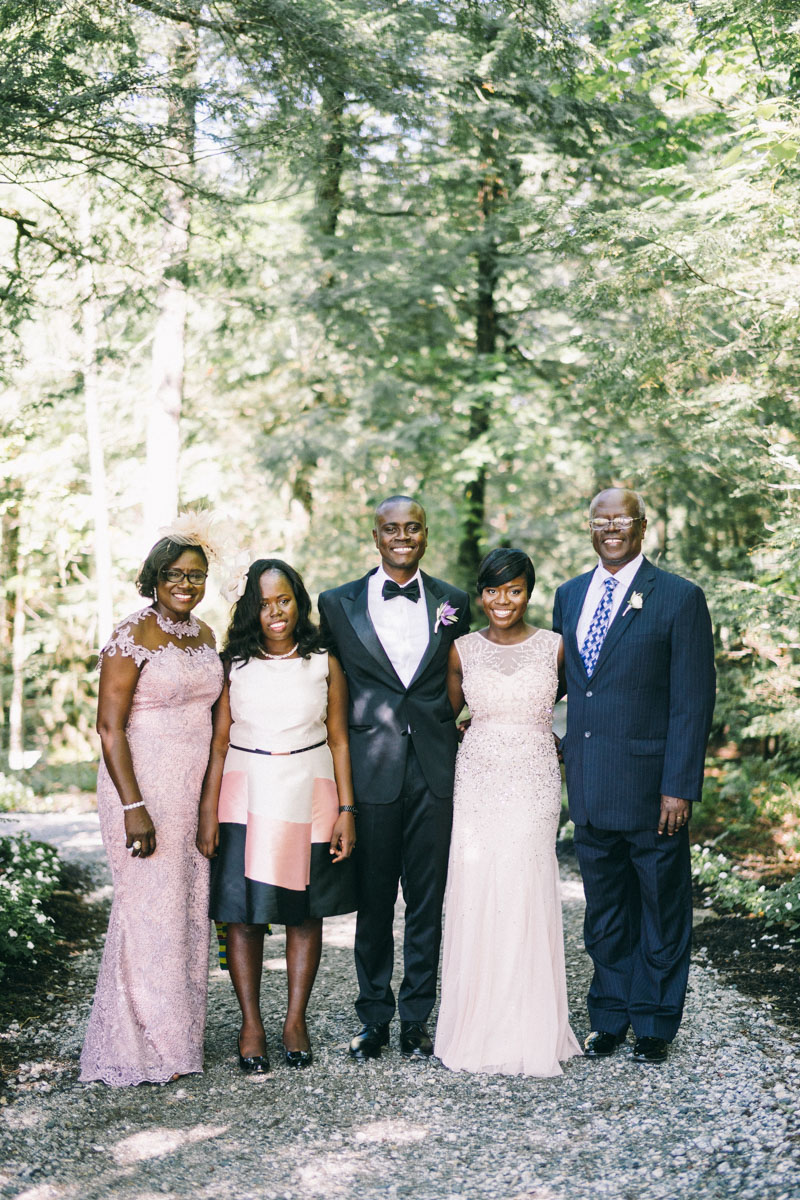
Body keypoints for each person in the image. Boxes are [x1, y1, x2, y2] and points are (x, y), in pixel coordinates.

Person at [553, 488, 716, 1064]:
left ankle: (653, 1022)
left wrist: (680, 785)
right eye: (601, 520)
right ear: (590, 528)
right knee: (605, 911)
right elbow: (563, 688)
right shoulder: (569, 596)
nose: (611, 528)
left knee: (661, 907)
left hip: (653, 790)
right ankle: (610, 1013)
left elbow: (692, 702)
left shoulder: (678, 598)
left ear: (643, 526)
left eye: (621, 519)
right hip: (591, 785)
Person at [318, 496, 470, 1060]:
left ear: (425, 535)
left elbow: (467, 676)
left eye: (412, 528)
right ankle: (374, 1017)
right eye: (391, 529)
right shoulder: (336, 603)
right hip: (370, 770)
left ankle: (416, 1018)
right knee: (375, 901)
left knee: (428, 902)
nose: (402, 537)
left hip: (435, 768)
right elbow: (326, 683)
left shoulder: (454, 601)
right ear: (375, 536)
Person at [80, 517, 224, 1086]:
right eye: (175, 574)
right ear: (154, 578)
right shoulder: (130, 635)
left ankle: (179, 1039)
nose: (186, 584)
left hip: (192, 790)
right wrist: (131, 806)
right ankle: (137, 1044)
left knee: (187, 911)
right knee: (147, 913)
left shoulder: (207, 635)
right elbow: (109, 728)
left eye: (196, 575)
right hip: (141, 788)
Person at [198, 559, 357, 1072]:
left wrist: (347, 809)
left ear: (299, 601)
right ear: (250, 608)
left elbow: (339, 738)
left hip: (310, 790)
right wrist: (207, 810)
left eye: (283, 600)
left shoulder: (323, 661)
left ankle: (294, 1020)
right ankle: (251, 1024)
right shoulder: (233, 665)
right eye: (263, 603)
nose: (275, 612)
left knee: (304, 911)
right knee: (242, 914)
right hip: (246, 792)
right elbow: (219, 744)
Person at [434, 548, 582, 1076]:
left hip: (534, 776)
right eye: (493, 590)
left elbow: (576, 706)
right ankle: (477, 1022)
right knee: (477, 886)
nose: (503, 601)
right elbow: (447, 718)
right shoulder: (461, 650)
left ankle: (531, 1024)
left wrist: (559, 740)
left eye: (514, 590)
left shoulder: (557, 648)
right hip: (478, 777)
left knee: (524, 882)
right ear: (480, 594)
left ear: (529, 592)